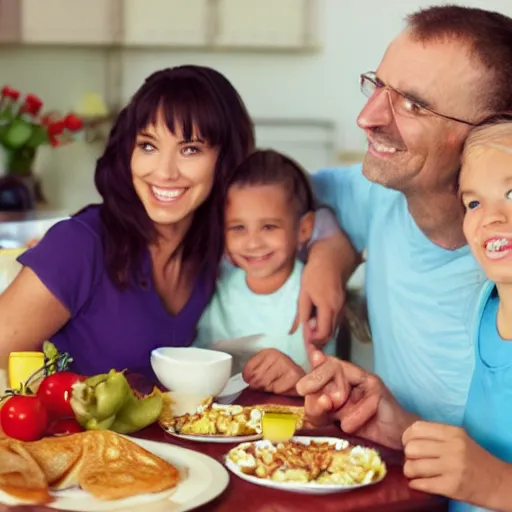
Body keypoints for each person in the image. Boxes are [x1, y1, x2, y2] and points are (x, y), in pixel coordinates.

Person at [298, 4, 512, 425]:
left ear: (491, 135)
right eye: (377, 87)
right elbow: (287, 194)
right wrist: (329, 248)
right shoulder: (382, 194)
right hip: (397, 471)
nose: (366, 118)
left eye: (413, 105)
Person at [0, 65, 255, 381]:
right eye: (148, 145)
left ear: (226, 159)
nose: (164, 172)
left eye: (190, 149)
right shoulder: (79, 244)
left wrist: (330, 250)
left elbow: (298, 201)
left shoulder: (216, 252)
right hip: (68, 431)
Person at [402, 114, 512, 512]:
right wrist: (393, 421)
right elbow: (471, 456)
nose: (491, 217)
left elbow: (483, 474)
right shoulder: (481, 311)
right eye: (474, 202)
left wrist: (496, 484)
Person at [194, 149, 336, 395]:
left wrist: (297, 381)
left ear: (303, 230)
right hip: (217, 425)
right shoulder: (218, 287)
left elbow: (330, 387)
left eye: (268, 227)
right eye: (238, 228)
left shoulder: (314, 290)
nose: (253, 243)